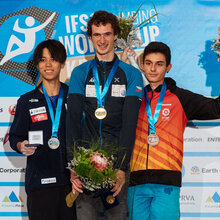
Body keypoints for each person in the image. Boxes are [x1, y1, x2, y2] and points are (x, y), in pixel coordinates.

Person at [127, 41, 220, 220]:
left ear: (168, 67)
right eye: (148, 63)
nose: (153, 69)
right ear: (142, 65)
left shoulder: (181, 98)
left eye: (159, 64)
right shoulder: (134, 97)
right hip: (136, 183)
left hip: (166, 184)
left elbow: (217, 108)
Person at [66, 10, 143, 220]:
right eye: (97, 35)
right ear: (90, 36)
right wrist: (73, 165)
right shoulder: (80, 73)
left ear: (116, 35)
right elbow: (72, 120)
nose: (102, 40)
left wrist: (120, 168)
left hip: (117, 165)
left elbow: (129, 124)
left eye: (107, 34)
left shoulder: (131, 74)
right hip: (85, 164)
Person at [9, 39, 76, 220]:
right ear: (37, 64)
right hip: (39, 183)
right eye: (43, 59)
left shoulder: (74, 96)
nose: (48, 64)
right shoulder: (26, 101)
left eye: (53, 59)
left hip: (71, 182)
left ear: (62, 63)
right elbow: (14, 135)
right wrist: (21, 145)